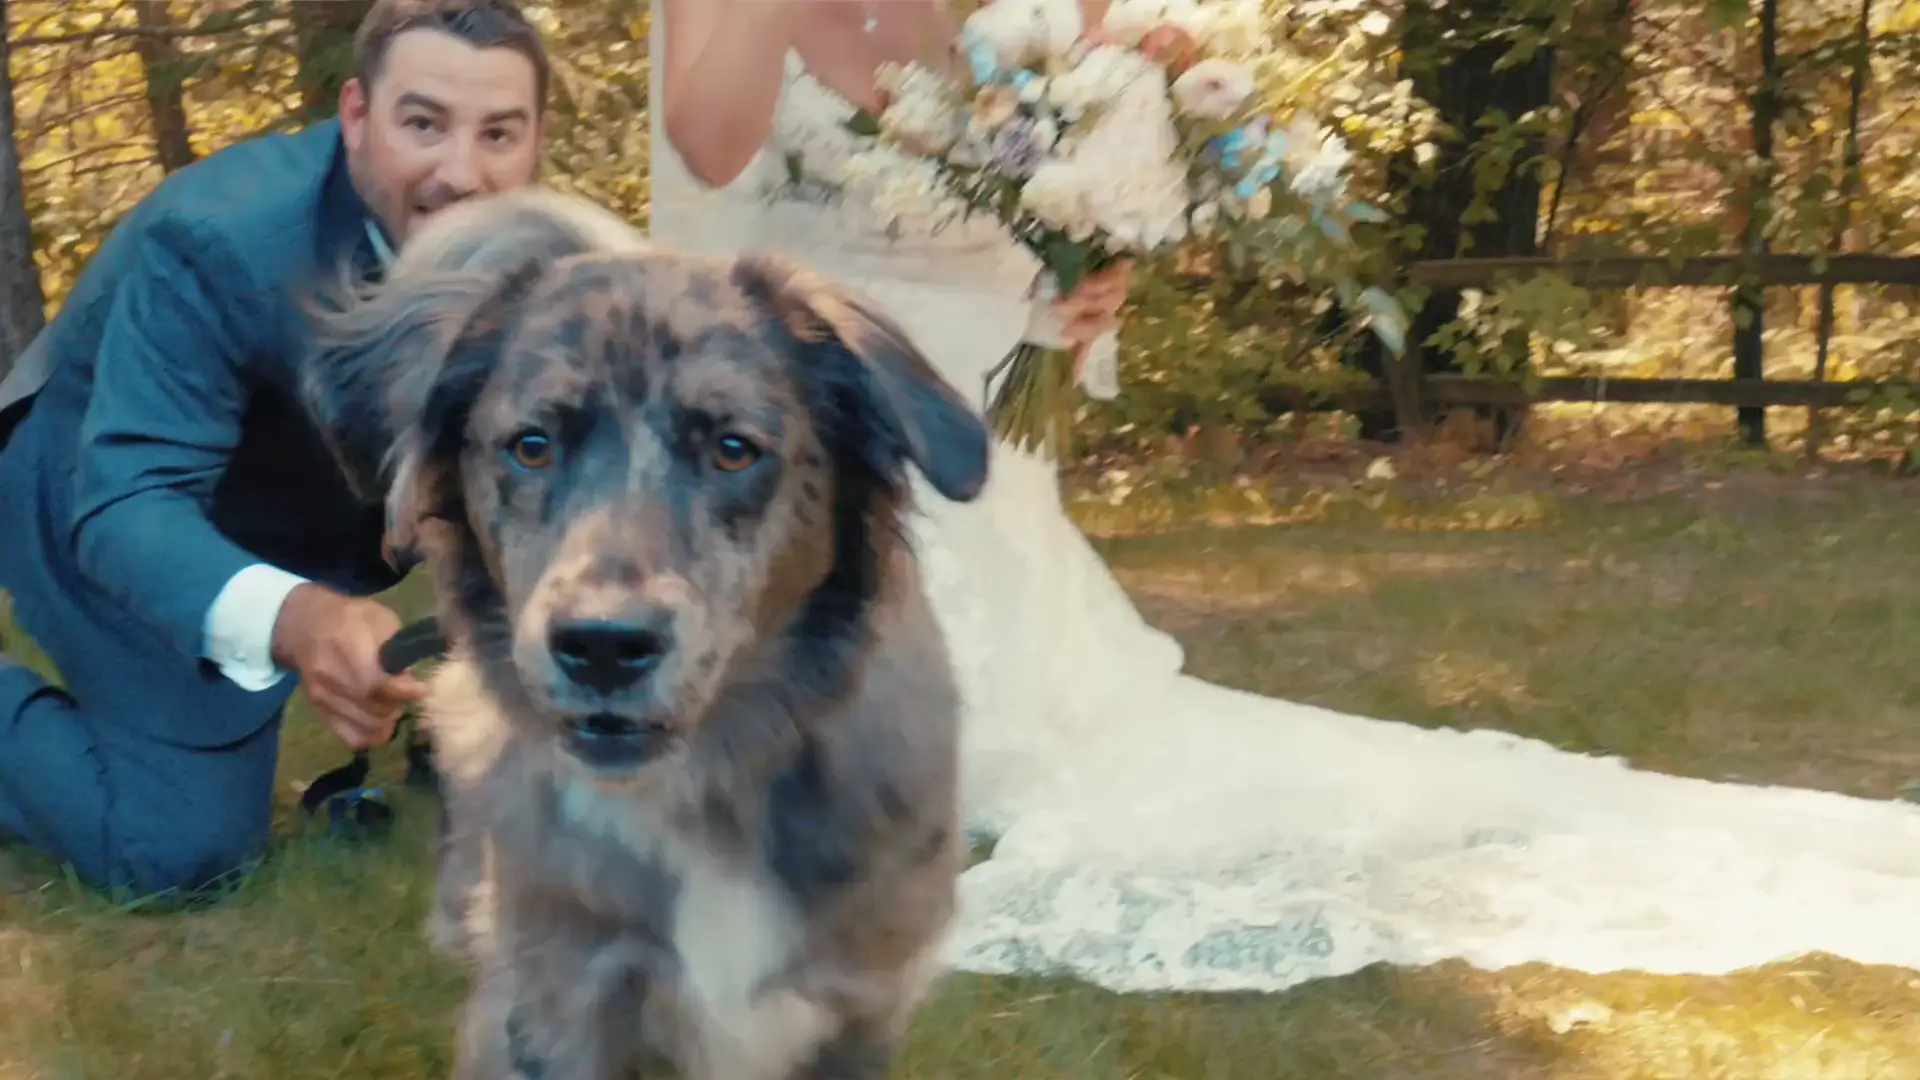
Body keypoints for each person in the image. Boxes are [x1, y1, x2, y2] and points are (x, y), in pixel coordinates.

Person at [649, 0, 1920, 994]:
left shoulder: (1017, 13)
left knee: (1029, 734)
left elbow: (1077, 180)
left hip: (985, 381)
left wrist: (1090, 283)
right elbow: (706, 147)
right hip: (819, 390)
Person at [0, 0, 549, 900]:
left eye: (499, 133)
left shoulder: (542, 249)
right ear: (356, 115)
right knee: (180, 847)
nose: (462, 174)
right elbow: (129, 502)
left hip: (302, 498)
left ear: (535, 140)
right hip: (100, 491)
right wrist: (300, 620)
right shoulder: (217, 243)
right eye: (423, 124)